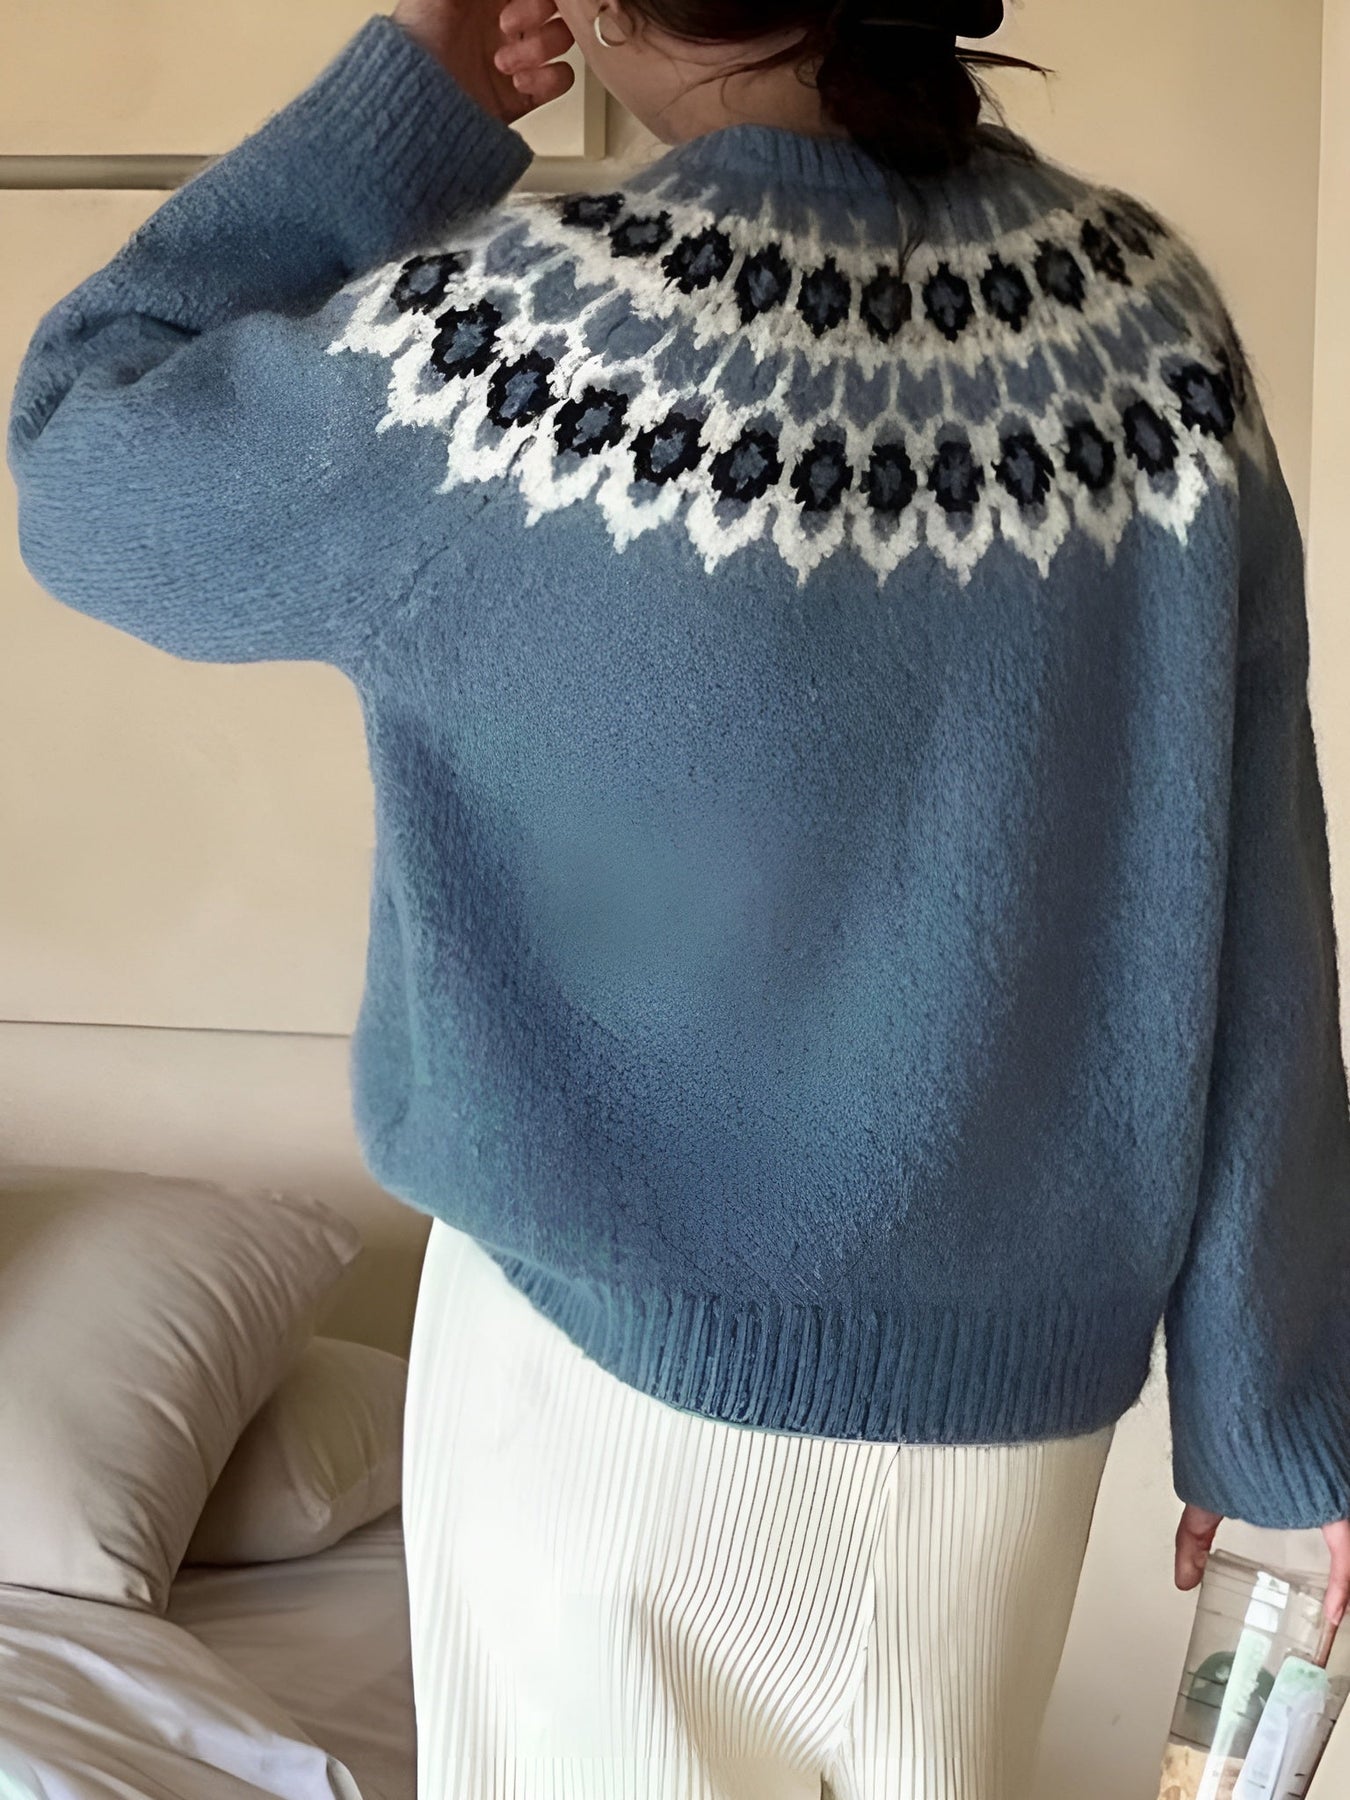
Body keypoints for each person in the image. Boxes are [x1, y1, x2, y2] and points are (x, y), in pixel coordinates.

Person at [9, 1, 1350, 1794]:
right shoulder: (1147, 328)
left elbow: (81, 446)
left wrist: (399, 108)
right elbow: (1254, 890)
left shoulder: (521, 356)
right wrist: (1276, 1418)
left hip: (587, 1405)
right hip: (1001, 1436)